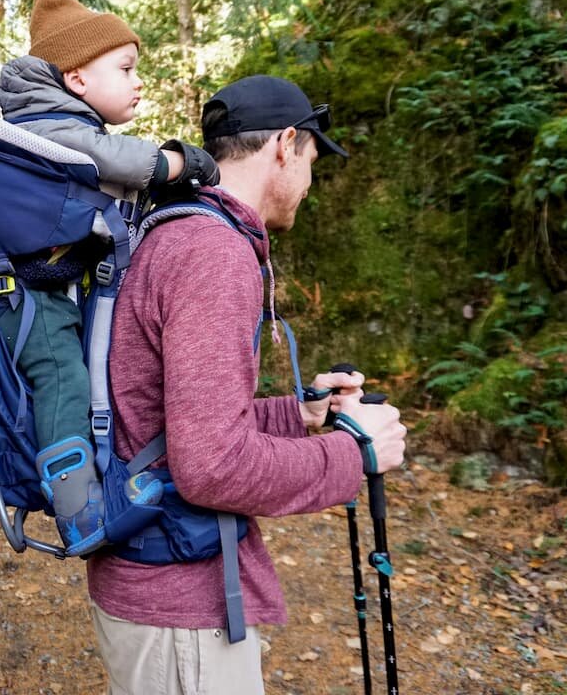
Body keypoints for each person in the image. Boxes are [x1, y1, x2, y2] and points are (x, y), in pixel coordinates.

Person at [86, 74, 409, 694]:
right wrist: (354, 452)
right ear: (286, 144)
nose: (310, 184)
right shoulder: (213, 252)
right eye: (312, 160)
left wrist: (301, 416)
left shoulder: (178, 228)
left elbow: (180, 420)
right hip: (181, 610)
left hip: (158, 588)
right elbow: (209, 465)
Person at [0, 0, 219, 557]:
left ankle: (104, 473)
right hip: (30, 297)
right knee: (62, 377)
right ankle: (79, 514)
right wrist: (174, 162)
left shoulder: (57, 121)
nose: (138, 80)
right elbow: (113, 162)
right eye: (125, 68)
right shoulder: (47, 123)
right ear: (76, 79)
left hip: (50, 284)